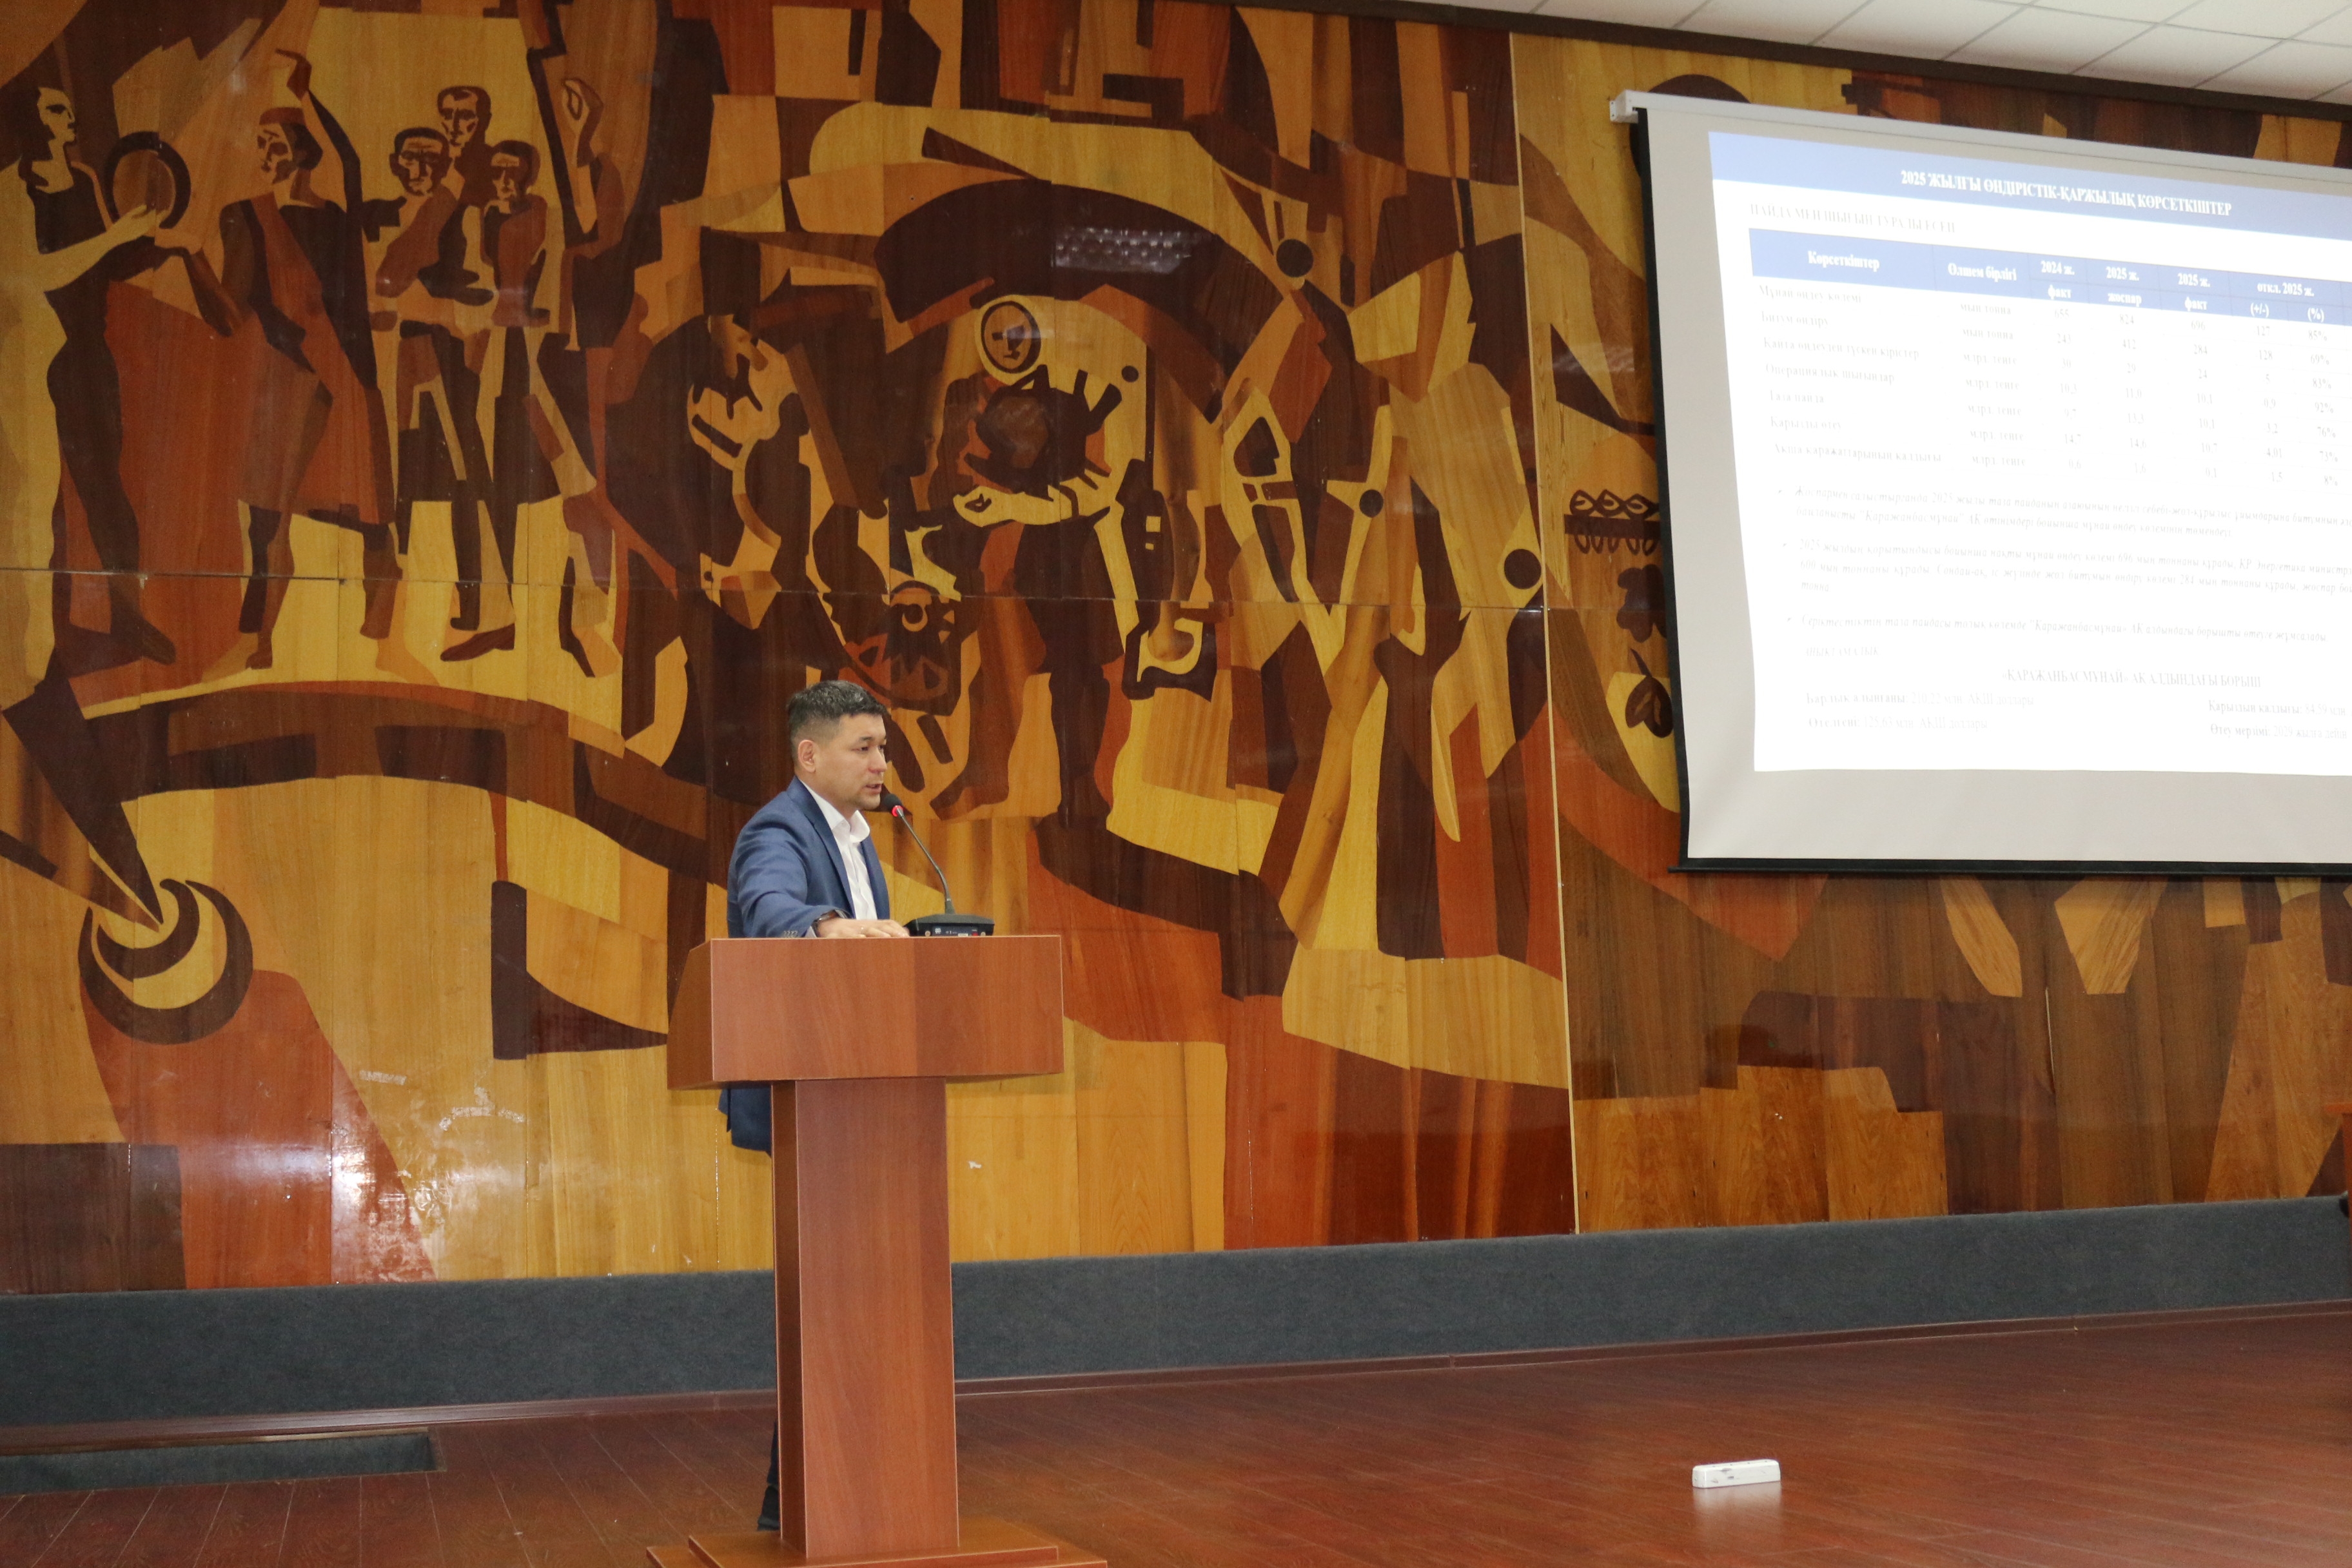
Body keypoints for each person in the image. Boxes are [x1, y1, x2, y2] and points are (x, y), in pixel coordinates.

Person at [720, 676, 907, 1534]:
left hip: (859, 1097)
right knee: (829, 1303)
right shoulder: (779, 830)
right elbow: (768, 906)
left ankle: (816, 1494)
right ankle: (799, 1498)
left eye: (882, 747)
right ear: (809, 754)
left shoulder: (860, 839)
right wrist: (826, 925)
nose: (880, 762)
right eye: (863, 747)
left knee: (851, 1300)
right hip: (812, 1102)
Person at [8, 83, 176, 670]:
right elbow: (37, 273)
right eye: (56, 109)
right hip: (33, 356)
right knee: (39, 498)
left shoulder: (81, 178)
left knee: (106, 489)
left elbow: (110, 260)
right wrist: (114, 237)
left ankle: (128, 618)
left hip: (88, 354)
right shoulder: (14, 192)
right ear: (33, 121)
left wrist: (161, 239)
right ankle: (40, 635)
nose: (69, 116)